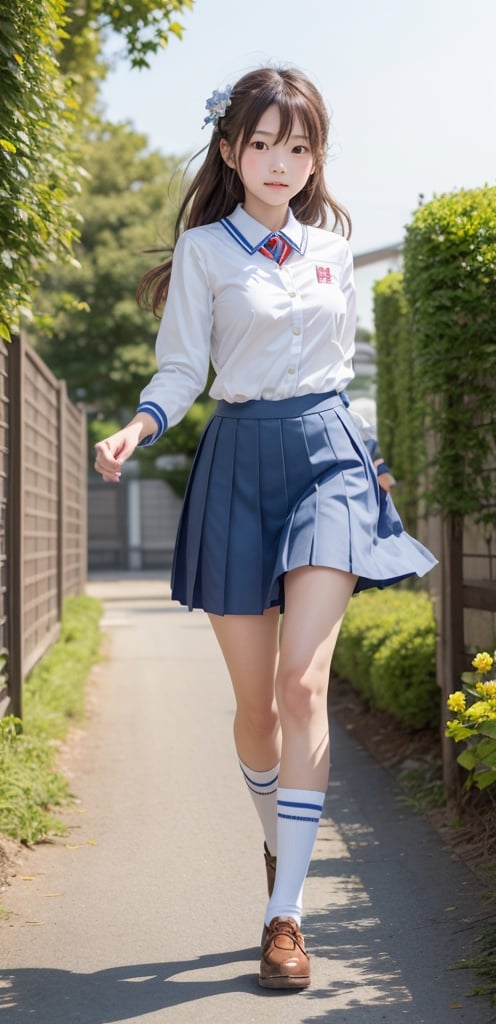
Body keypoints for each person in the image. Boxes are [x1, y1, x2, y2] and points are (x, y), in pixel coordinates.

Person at [94, 66, 437, 991]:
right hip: (239, 458)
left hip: (328, 455)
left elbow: (343, 367)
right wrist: (139, 424)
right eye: (262, 143)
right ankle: (277, 849)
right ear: (229, 150)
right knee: (253, 711)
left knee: (300, 686)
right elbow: (181, 370)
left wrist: (370, 454)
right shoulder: (205, 252)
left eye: (299, 145)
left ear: (316, 155)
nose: (281, 161)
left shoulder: (333, 250)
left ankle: (284, 913)